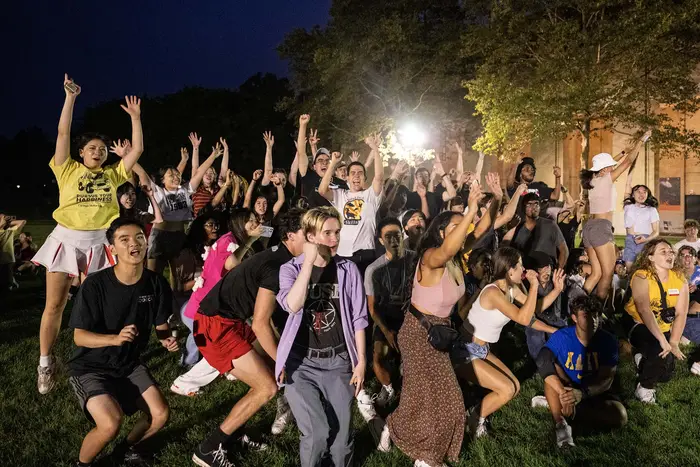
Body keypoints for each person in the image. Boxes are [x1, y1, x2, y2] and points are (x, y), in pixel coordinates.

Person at [32, 74, 144, 394]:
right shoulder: (66, 167)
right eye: (92, 148)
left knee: (103, 305)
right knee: (54, 305)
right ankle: (45, 363)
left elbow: (137, 149)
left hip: (99, 243)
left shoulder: (113, 172)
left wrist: (135, 118)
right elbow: (63, 131)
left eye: (102, 149)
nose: (98, 152)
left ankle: (103, 357)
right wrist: (70, 98)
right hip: (66, 239)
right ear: (81, 153)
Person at [186, 212, 309, 467]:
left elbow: (266, 319)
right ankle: (209, 449)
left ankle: (235, 432)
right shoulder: (278, 267)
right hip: (215, 325)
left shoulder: (281, 255)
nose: (314, 239)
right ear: (290, 236)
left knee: (264, 368)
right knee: (267, 387)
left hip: (230, 319)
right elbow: (262, 323)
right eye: (308, 234)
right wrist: (282, 362)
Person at [66, 218, 179, 467]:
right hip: (91, 366)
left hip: (128, 364)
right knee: (110, 423)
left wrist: (166, 339)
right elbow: (79, 336)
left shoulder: (156, 283)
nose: (134, 244)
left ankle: (124, 452)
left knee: (159, 414)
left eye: (139, 237)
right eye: (124, 239)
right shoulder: (95, 285)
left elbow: (161, 325)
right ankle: (82, 464)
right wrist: (115, 339)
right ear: (112, 249)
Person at [387, 183, 484, 467]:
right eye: (454, 227)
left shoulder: (454, 257)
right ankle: (427, 460)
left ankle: (396, 430)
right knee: (450, 404)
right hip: (419, 334)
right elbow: (450, 246)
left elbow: (485, 227)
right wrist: (469, 210)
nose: (462, 230)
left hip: (438, 334)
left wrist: (493, 201)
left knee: (423, 399)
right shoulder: (431, 257)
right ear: (441, 233)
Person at [276, 207, 377, 467]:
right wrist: (308, 263)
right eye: (328, 233)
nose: (335, 239)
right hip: (301, 364)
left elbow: (359, 318)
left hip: (338, 361)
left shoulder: (348, 269)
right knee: (317, 433)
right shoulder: (290, 269)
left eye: (338, 232)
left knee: (342, 439)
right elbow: (293, 305)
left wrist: (361, 360)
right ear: (310, 236)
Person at [455, 247, 562, 439]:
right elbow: (522, 318)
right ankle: (474, 418)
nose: (524, 269)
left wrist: (557, 292)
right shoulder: (492, 293)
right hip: (464, 349)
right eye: (520, 265)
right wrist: (534, 286)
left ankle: (475, 415)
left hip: (482, 349)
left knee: (515, 386)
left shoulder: (511, 288)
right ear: (509, 269)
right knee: (506, 389)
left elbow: (532, 311)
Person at [171, 209, 264, 395]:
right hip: (204, 307)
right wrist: (251, 240)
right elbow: (231, 264)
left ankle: (228, 369)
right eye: (250, 221)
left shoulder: (234, 240)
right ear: (239, 223)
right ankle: (185, 381)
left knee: (235, 340)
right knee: (221, 348)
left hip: (216, 304)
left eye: (256, 220)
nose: (255, 224)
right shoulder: (227, 241)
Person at [533, 296, 627, 448]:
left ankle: (559, 406)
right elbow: (543, 360)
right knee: (551, 377)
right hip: (566, 385)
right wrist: (564, 392)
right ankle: (560, 423)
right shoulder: (563, 336)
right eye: (586, 316)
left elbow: (606, 379)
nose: (593, 320)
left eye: (596, 315)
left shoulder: (608, 340)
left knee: (620, 416)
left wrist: (582, 394)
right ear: (574, 318)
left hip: (592, 391)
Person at [135, 141, 224, 277]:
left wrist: (213, 155)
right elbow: (141, 173)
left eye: (177, 175)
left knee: (177, 275)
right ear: (162, 180)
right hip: (160, 236)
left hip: (179, 236)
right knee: (153, 274)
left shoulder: (185, 190)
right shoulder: (158, 191)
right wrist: (127, 155)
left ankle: (174, 297)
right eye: (171, 175)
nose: (176, 177)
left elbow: (199, 172)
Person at [579, 131, 649, 301]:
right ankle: (598, 312)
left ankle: (579, 307)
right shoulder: (605, 179)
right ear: (604, 169)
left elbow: (616, 162)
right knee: (608, 274)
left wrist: (622, 153)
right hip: (601, 228)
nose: (612, 168)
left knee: (596, 273)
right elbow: (628, 162)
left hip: (589, 228)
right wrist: (641, 139)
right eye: (609, 166)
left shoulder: (593, 180)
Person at [623, 239, 688, 403]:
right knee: (659, 348)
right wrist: (662, 339)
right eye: (663, 252)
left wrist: (673, 342)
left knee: (665, 374)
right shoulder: (641, 276)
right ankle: (645, 389)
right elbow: (644, 309)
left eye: (671, 252)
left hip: (663, 327)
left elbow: (681, 313)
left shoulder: (680, 279)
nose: (669, 255)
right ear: (650, 257)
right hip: (637, 324)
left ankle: (641, 358)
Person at [364, 217, 415, 407]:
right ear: (380, 240)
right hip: (386, 319)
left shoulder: (414, 259)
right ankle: (389, 387)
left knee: (410, 359)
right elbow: (372, 307)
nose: (394, 240)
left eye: (397, 235)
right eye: (388, 236)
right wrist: (386, 331)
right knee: (377, 358)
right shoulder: (373, 269)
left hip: (411, 318)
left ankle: (408, 382)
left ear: (403, 235)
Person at [319, 134, 384, 273]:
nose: (356, 175)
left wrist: (375, 149)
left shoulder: (371, 195)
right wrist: (333, 163)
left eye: (360, 173)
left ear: (365, 178)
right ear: (347, 178)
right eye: (352, 173)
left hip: (366, 253)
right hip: (343, 253)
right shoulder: (341, 195)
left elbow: (379, 177)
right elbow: (322, 190)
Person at [171, 214, 221, 367]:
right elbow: (179, 288)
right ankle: (188, 361)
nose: (215, 228)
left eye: (215, 224)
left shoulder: (216, 249)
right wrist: (203, 279)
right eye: (210, 225)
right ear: (200, 229)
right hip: (185, 299)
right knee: (198, 324)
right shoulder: (187, 254)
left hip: (207, 298)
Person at [294, 115, 348, 208]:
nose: (324, 163)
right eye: (320, 160)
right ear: (314, 166)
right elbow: (301, 153)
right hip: (315, 220)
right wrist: (303, 125)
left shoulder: (341, 183)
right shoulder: (310, 177)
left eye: (327, 160)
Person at [503, 193, 569, 269]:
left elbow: (564, 250)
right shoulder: (517, 228)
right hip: (525, 273)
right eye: (529, 204)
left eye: (536, 204)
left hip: (547, 273)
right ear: (523, 207)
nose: (533, 207)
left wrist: (558, 270)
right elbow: (507, 252)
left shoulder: (550, 225)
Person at [524, 252, 569, 360]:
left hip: (553, 318)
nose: (546, 271)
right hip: (533, 320)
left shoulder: (556, 281)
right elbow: (534, 311)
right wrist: (556, 290)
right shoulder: (525, 287)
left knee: (564, 330)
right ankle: (540, 363)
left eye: (548, 267)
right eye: (541, 269)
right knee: (536, 336)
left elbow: (574, 292)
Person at [622, 179, 660, 270]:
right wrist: (631, 165)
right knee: (629, 270)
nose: (641, 194)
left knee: (641, 269)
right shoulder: (628, 206)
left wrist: (646, 239)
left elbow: (656, 231)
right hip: (630, 240)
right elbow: (627, 183)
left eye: (644, 192)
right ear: (632, 194)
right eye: (638, 192)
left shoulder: (651, 210)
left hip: (644, 241)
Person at [190, 135, 229, 216]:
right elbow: (195, 167)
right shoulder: (197, 189)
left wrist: (226, 149)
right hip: (201, 223)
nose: (208, 175)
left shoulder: (218, 189)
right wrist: (195, 148)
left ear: (214, 177)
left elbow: (223, 169)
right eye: (206, 173)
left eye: (211, 173)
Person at [0, 214, 26, 292]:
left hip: (9, 259)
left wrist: (8, 222)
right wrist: (5, 222)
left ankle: (10, 285)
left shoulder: (9, 231)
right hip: (6, 258)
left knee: (8, 280)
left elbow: (23, 221)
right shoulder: (9, 231)